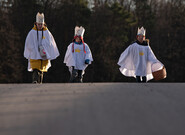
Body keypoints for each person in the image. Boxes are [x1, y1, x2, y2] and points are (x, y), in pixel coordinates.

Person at [24, 12, 59, 83]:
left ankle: (39, 82)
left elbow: (50, 42)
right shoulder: (32, 32)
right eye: (38, 24)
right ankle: (35, 80)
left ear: (43, 24)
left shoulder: (47, 32)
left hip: (43, 54)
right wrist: (32, 49)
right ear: (36, 23)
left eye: (41, 24)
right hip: (35, 54)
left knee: (41, 70)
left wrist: (45, 47)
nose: (40, 26)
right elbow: (28, 43)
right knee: (35, 69)